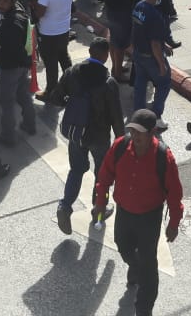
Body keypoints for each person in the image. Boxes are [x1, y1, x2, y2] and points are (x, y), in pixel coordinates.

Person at [92, 109, 183, 316]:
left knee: (149, 264)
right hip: (124, 212)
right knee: (122, 246)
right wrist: (99, 202)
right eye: (132, 131)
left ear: (152, 132)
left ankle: (144, 308)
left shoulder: (163, 157)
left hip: (149, 218)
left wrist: (173, 223)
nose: (135, 136)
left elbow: (175, 193)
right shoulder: (120, 146)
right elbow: (105, 176)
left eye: (140, 132)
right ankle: (135, 265)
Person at [48, 37, 124, 234]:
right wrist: (121, 143)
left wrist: (72, 104)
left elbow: (56, 97)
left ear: (90, 52)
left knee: (76, 170)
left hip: (76, 132)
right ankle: (98, 212)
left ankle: (65, 206)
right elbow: (116, 118)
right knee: (102, 176)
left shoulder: (72, 72)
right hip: (99, 137)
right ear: (106, 56)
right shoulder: (108, 83)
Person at [0, 0, 35, 147]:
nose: (0, 4)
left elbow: (12, 48)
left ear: (13, 2)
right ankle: (29, 124)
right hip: (22, 64)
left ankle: (7, 136)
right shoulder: (21, 13)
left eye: (4, 1)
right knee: (23, 95)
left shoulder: (11, 23)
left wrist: (4, 61)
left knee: (7, 102)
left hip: (10, 68)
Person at [31, 0, 74, 98]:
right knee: (64, 57)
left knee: (50, 63)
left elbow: (40, 14)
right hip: (64, 30)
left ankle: (51, 91)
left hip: (49, 33)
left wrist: (33, 4)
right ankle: (72, 84)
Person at [92, 0, 139, 81]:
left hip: (110, 12)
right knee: (121, 44)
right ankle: (117, 73)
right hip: (123, 15)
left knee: (114, 41)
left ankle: (115, 67)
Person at [130, 0, 172, 123]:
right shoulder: (154, 15)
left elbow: (143, 31)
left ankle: (139, 115)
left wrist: (164, 44)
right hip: (150, 57)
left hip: (138, 54)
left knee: (140, 83)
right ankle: (156, 117)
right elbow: (154, 43)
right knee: (164, 83)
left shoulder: (139, 6)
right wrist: (161, 64)